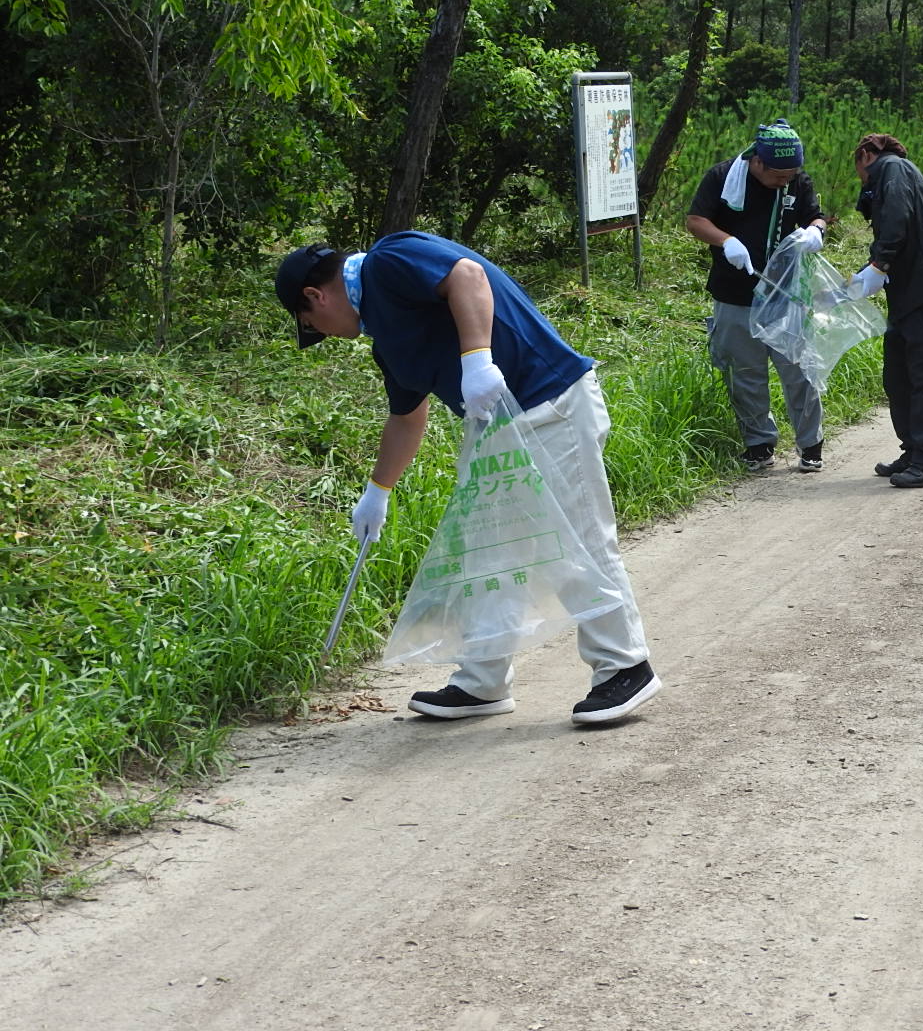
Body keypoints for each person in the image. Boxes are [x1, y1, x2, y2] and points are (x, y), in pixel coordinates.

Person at [274, 232, 660, 723]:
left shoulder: (388, 260)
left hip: (552, 405)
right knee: (486, 554)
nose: (323, 332)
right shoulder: (386, 340)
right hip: (495, 428)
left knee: (581, 542)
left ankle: (626, 668)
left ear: (315, 296)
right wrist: (378, 491)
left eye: (312, 324)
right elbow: (407, 418)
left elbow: (467, 276)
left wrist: (477, 360)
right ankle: (482, 682)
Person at [687, 119, 831, 473]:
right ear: (758, 162)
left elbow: (816, 216)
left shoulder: (797, 180)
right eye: (779, 174)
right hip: (734, 291)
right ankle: (759, 443)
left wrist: (815, 231)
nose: (785, 180)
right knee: (746, 372)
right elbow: (695, 220)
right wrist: (726, 241)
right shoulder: (722, 178)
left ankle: (810, 444)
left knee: (799, 370)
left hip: (786, 292)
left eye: (791, 174)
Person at [849, 133, 923, 488]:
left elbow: (897, 215)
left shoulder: (892, 168)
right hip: (906, 294)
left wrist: (879, 264)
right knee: (898, 375)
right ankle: (913, 450)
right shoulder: (889, 173)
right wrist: (875, 267)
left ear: (866, 155)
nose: (862, 181)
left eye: (859, 172)